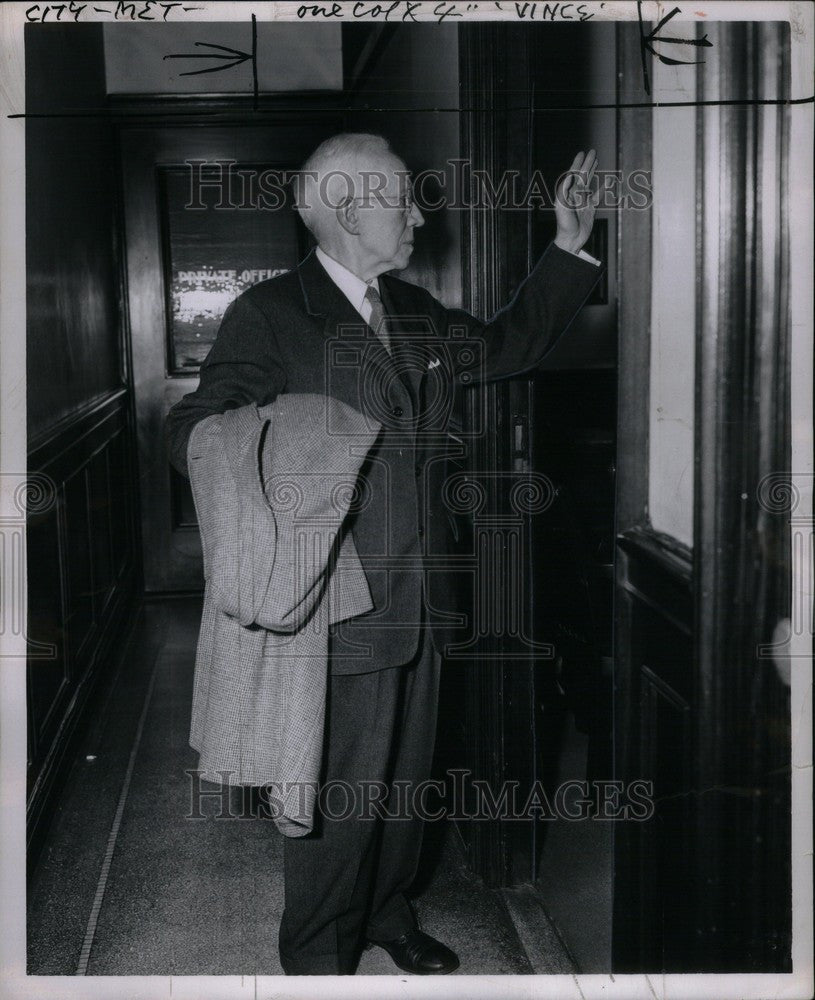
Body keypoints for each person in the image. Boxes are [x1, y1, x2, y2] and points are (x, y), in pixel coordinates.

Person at [166, 132, 601, 976]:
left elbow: (509, 343)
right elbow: (191, 433)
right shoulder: (273, 314)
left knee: (406, 780)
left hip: (428, 591)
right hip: (342, 598)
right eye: (402, 196)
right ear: (347, 209)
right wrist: (304, 455)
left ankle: (387, 911)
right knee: (338, 794)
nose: (417, 212)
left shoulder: (412, 309)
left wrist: (568, 246)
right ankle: (318, 954)